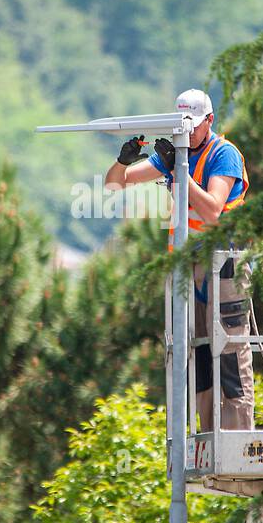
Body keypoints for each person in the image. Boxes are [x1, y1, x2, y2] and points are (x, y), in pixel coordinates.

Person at [104, 88, 254, 431]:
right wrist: (122, 162)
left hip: (224, 265)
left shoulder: (223, 154)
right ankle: (207, 434)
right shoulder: (176, 156)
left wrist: (179, 169)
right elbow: (115, 185)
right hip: (191, 270)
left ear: (209, 121)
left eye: (194, 126)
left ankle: (237, 435)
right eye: (182, 126)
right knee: (199, 351)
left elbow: (213, 211)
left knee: (229, 351)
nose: (187, 133)